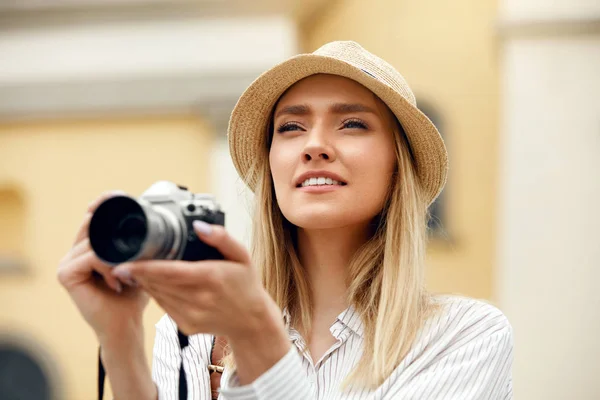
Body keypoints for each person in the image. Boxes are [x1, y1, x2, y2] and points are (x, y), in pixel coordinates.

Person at [58, 41, 513, 399]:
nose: (314, 145)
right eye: (291, 128)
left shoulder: (463, 337)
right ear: (271, 163)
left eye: (352, 124)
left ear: (399, 165)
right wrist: (119, 340)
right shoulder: (195, 338)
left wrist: (256, 334)